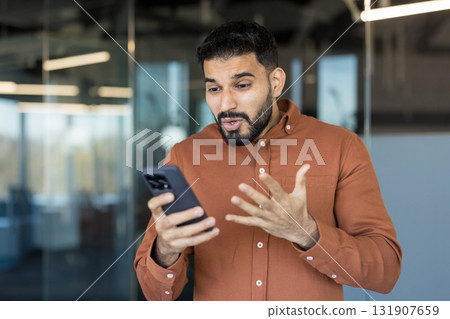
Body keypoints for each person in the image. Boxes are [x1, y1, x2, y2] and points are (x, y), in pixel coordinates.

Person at [134, 21, 402, 301]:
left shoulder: (341, 147)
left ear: (275, 83)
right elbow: (157, 295)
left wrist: (308, 232)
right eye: (214, 89)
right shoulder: (184, 157)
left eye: (242, 85)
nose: (226, 104)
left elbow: (386, 270)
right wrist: (165, 248)